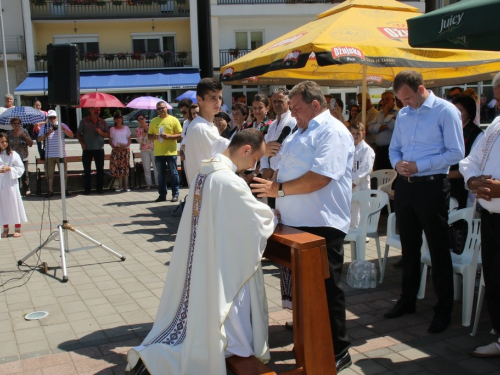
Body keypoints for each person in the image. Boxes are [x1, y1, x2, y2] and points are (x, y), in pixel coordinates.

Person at [127, 129, 275, 374]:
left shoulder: (205, 171)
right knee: (225, 309)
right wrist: (272, 215)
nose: (253, 165)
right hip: (221, 261)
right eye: (254, 159)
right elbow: (255, 221)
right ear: (246, 149)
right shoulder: (228, 180)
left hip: (204, 254)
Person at [251, 81, 354, 373]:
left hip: (321, 223)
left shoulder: (331, 131)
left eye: (295, 107)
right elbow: (285, 167)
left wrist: (278, 190)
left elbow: (320, 177)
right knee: (303, 292)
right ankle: (310, 339)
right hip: (296, 222)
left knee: (326, 290)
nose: (291, 113)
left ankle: (338, 349)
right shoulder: (300, 129)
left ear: (315, 104)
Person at [385, 70, 464, 334]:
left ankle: (443, 310)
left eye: (407, 98)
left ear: (421, 89)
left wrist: (421, 166)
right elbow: (394, 147)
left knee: (438, 249)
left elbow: (456, 152)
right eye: (401, 100)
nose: (404, 104)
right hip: (406, 187)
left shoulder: (445, 111)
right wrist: (398, 163)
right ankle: (408, 300)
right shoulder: (405, 114)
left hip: (432, 187)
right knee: (409, 248)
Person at [460, 71, 500, 359]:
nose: (498, 102)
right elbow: (471, 160)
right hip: (490, 217)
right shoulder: (496, 124)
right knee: (495, 277)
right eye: (499, 95)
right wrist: (472, 181)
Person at [184, 78, 230, 186]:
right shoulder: (200, 128)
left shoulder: (209, 126)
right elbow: (227, 150)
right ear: (199, 99)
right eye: (213, 98)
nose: (218, 102)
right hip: (205, 192)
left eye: (220, 97)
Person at [449, 95, 484, 209]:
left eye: (460, 110)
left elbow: (474, 164)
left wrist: (447, 174)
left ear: (469, 112)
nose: (456, 114)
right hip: (446, 184)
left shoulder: (477, 135)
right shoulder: (449, 130)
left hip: (464, 186)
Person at [148, 101, 182, 202]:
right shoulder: (154, 121)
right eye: (159, 109)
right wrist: (154, 136)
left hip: (171, 152)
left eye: (162, 108)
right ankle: (162, 195)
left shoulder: (173, 120)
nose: (161, 110)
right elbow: (149, 136)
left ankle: (175, 194)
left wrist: (169, 137)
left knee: (174, 174)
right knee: (160, 175)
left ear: (166, 108)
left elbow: (181, 135)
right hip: (159, 152)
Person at [37, 110, 74, 197]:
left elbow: (71, 135)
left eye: (54, 117)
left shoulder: (62, 125)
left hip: (61, 154)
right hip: (49, 155)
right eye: (50, 117)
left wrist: (63, 129)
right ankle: (50, 191)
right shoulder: (45, 126)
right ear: (48, 118)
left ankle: (64, 190)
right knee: (49, 174)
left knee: (63, 173)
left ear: (57, 117)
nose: (52, 119)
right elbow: (39, 139)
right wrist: (47, 134)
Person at [77, 107, 110, 195]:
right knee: (87, 170)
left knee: (100, 170)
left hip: (99, 149)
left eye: (98, 110)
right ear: (90, 110)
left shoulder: (102, 122)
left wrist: (101, 133)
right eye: (94, 109)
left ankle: (100, 188)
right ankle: (87, 189)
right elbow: (78, 133)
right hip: (87, 149)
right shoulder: (84, 121)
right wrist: (82, 143)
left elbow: (108, 134)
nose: (96, 111)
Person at [0, 132, 27, 238]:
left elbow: (21, 168)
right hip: (1, 184)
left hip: (11, 183)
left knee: (14, 204)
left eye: (6, 141)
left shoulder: (12, 154)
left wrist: (9, 168)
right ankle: (5, 228)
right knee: (3, 206)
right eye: (2, 142)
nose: (4, 144)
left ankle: (17, 227)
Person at [350, 122, 375, 229]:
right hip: (350, 184)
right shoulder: (349, 148)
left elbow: (366, 169)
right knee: (352, 210)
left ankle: (362, 235)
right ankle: (352, 234)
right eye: (353, 133)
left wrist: (354, 182)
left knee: (362, 210)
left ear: (363, 133)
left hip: (361, 185)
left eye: (358, 134)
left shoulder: (367, 149)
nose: (355, 136)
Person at [368, 91, 399, 171]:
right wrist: (385, 126)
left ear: (393, 100)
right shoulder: (379, 114)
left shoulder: (399, 112)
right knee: (378, 172)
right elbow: (370, 128)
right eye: (383, 100)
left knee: (391, 173)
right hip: (379, 150)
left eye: (387, 99)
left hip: (391, 149)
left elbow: (394, 127)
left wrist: (387, 113)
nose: (384, 102)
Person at [7, 117, 33, 196]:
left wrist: (25, 137)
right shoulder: (8, 133)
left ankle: (26, 191)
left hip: (23, 157)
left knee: (24, 175)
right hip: (12, 158)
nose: (17, 125)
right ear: (11, 125)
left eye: (18, 123)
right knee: (14, 174)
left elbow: (31, 144)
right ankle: (16, 191)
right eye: (15, 123)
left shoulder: (24, 131)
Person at [109, 112, 131, 192]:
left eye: (120, 118)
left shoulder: (126, 128)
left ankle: (126, 186)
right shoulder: (112, 129)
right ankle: (120, 186)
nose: (119, 120)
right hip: (116, 150)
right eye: (117, 118)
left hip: (125, 150)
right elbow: (110, 141)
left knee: (125, 168)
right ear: (115, 120)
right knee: (118, 168)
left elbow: (129, 140)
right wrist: (115, 148)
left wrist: (125, 146)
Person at [136, 115, 158, 190]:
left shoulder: (151, 126)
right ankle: (149, 184)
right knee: (146, 168)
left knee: (156, 167)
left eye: (142, 118)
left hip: (153, 148)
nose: (141, 120)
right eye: (139, 119)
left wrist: (149, 130)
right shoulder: (138, 129)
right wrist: (144, 134)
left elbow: (155, 137)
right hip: (144, 150)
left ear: (145, 119)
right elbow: (140, 141)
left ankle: (158, 183)